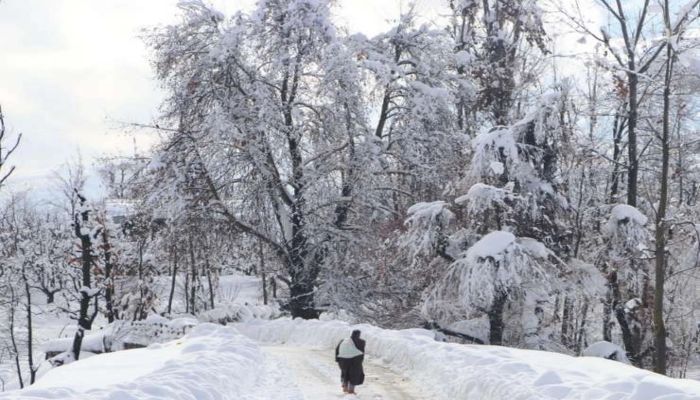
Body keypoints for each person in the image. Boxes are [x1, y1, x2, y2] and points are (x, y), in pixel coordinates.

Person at [335, 329, 365, 395]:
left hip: (342, 360)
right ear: (359, 335)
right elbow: (362, 352)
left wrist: (337, 360)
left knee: (345, 373)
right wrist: (360, 362)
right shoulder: (361, 342)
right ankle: (351, 390)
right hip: (354, 361)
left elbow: (337, 350)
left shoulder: (343, 340)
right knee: (354, 375)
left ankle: (345, 386)